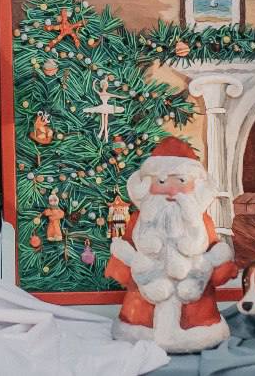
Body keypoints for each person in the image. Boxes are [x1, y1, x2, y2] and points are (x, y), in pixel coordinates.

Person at [105, 137, 238, 353]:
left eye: (181, 181)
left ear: (196, 186)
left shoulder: (200, 221)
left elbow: (218, 257)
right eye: (162, 182)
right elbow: (123, 257)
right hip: (141, 319)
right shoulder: (140, 220)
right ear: (147, 187)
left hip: (197, 317)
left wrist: (218, 265)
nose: (172, 191)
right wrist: (128, 265)